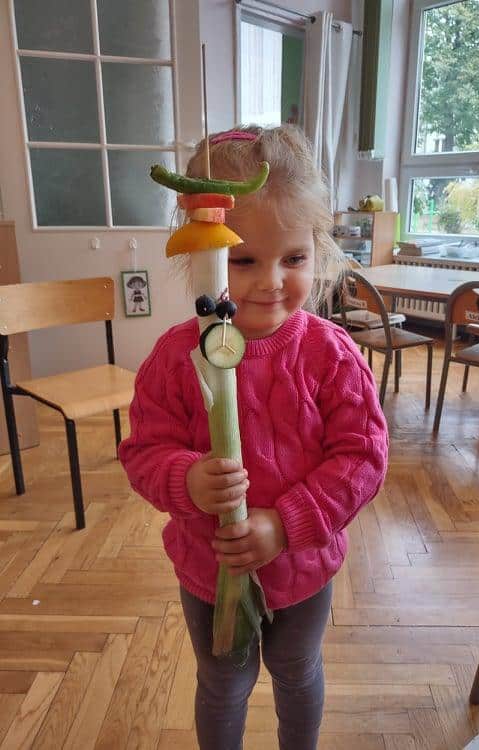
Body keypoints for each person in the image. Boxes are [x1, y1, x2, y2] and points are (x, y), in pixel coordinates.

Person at [119, 124, 389, 750]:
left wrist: (286, 524)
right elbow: (143, 452)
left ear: (317, 250)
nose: (271, 281)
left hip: (303, 566)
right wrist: (185, 478)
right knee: (222, 685)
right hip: (209, 568)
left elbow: (362, 457)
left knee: (297, 673)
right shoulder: (176, 357)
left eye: (293, 259)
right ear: (203, 252)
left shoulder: (331, 354)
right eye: (243, 260)